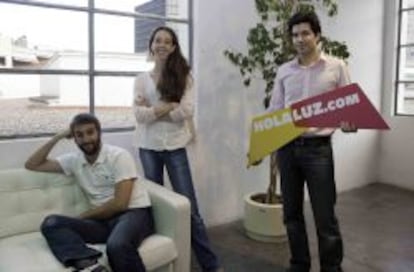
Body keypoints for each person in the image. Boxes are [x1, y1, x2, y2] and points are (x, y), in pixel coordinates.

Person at [267, 11, 357, 272]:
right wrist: (262, 143)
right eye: (295, 34)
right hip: (287, 149)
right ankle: (299, 264)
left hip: (318, 151)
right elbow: (275, 111)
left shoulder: (337, 67)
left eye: (305, 33)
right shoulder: (284, 71)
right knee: (291, 215)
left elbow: (349, 111)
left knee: (325, 216)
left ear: (317, 36)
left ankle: (331, 268)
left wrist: (349, 124)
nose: (300, 39)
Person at [132, 26, 223, 272]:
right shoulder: (141, 80)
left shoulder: (186, 77)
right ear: (151, 44)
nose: (161, 44)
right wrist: (168, 106)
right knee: (157, 205)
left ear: (173, 47)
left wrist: (154, 109)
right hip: (148, 147)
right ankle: (165, 260)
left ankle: (210, 265)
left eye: (167, 41)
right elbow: (139, 116)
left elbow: (187, 112)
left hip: (174, 147)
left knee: (189, 207)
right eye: (157, 40)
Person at [25, 113, 153, 272]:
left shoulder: (119, 156)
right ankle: (89, 265)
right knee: (52, 223)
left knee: (117, 245)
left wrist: (82, 217)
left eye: (90, 132)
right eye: (79, 135)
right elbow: (32, 164)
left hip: (133, 214)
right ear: (74, 138)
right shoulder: (74, 160)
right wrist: (57, 137)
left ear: (99, 132)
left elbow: (120, 204)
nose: (86, 139)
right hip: (103, 223)